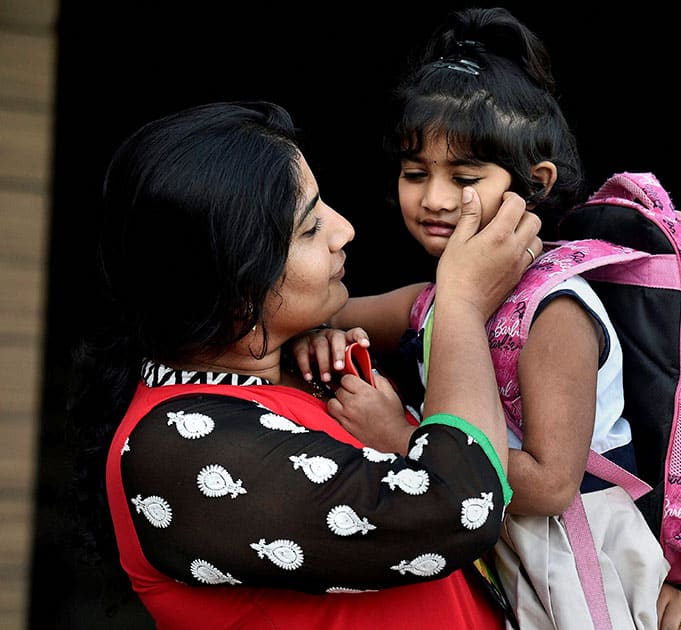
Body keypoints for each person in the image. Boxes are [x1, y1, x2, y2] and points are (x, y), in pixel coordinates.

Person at [289, 8, 681, 630]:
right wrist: (329, 334)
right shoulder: (429, 300)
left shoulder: (553, 312)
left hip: (574, 551)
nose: (434, 198)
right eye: (414, 173)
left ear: (533, 184)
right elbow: (311, 310)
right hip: (499, 542)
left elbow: (553, 484)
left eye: (466, 176)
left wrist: (400, 440)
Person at [65, 100, 543, 629]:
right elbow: (458, 509)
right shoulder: (175, 445)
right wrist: (461, 305)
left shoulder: (299, 371)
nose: (344, 230)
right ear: (235, 283)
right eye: (311, 227)